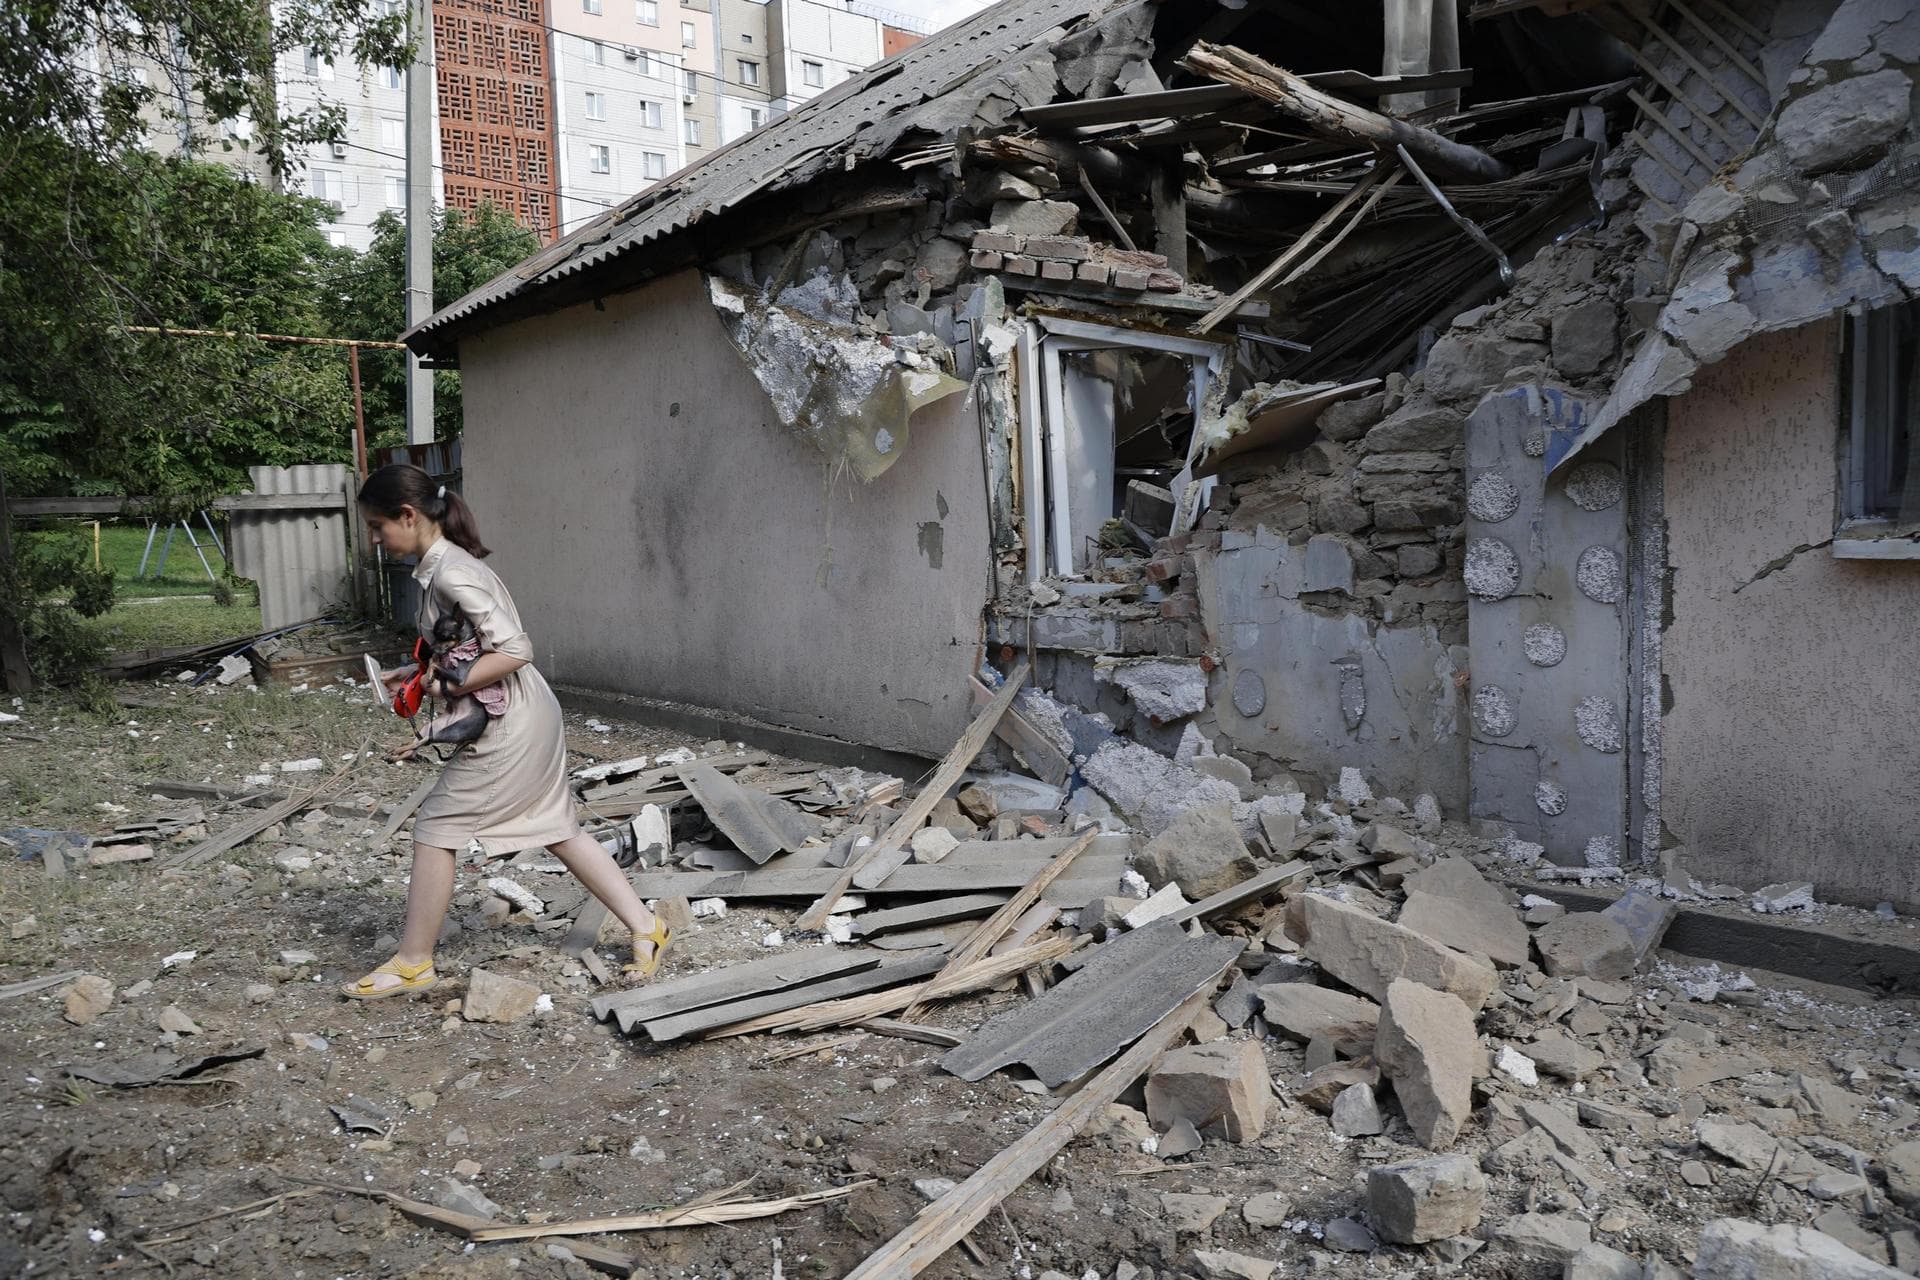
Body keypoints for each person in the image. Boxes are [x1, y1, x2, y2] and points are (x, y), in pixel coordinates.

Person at [341, 463, 670, 998]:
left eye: (379, 526)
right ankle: (648, 928)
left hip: (510, 721)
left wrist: (443, 690)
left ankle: (413, 962)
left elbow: (516, 650)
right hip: (526, 709)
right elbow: (467, 644)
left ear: (408, 515)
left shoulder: (451, 571)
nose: (376, 539)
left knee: (436, 827)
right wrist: (419, 672)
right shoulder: (439, 566)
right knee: (555, 826)